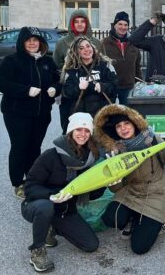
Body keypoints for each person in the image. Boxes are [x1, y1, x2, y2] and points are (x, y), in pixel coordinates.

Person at [21, 112, 104, 272]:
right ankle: (37, 251)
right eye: (78, 129)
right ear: (70, 131)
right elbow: (29, 187)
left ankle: (53, 227)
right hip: (37, 204)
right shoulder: (51, 156)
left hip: (66, 211)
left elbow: (93, 194)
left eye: (87, 131)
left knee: (91, 245)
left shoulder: (89, 159)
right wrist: (52, 196)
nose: (83, 134)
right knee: (46, 208)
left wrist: (105, 184)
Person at [95, 104, 165, 255]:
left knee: (139, 247)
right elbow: (116, 188)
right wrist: (113, 183)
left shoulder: (151, 139)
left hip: (156, 193)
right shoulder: (115, 151)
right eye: (118, 126)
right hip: (131, 191)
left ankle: (161, 219)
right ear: (114, 131)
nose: (123, 128)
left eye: (127, 123)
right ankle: (133, 218)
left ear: (134, 123)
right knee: (110, 218)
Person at [0, 27, 60, 199]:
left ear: (41, 42)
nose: (32, 43)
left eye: (36, 40)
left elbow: (58, 79)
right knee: (19, 147)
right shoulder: (11, 61)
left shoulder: (47, 61)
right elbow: (1, 83)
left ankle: (33, 179)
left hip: (41, 113)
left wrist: (55, 88)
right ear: (22, 42)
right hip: (17, 113)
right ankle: (18, 182)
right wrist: (25, 91)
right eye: (28, 40)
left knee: (34, 147)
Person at [54, 11, 102, 132]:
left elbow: (103, 66)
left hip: (93, 96)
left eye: (83, 21)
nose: (80, 24)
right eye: (76, 21)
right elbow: (56, 66)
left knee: (94, 132)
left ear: (87, 24)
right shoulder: (62, 43)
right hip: (71, 96)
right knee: (71, 130)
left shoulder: (96, 43)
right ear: (71, 24)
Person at [62, 36, 118, 120]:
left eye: (88, 46)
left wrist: (104, 86)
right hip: (81, 118)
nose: (86, 49)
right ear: (76, 52)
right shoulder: (71, 70)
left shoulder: (105, 66)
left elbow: (115, 86)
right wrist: (78, 88)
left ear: (92, 47)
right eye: (81, 48)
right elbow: (67, 92)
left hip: (103, 116)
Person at [102, 11, 141, 105]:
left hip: (128, 86)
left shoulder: (133, 43)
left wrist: (139, 83)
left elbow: (137, 66)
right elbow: (100, 65)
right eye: (120, 24)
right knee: (109, 115)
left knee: (127, 115)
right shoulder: (104, 43)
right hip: (110, 85)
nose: (123, 27)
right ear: (114, 25)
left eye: (125, 24)